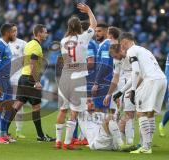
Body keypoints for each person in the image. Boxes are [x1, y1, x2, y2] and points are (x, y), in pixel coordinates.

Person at [112, 32, 167, 154]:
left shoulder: (131, 50)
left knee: (141, 113)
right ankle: (147, 144)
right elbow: (136, 74)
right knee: (150, 113)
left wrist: (133, 90)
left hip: (151, 81)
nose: (122, 48)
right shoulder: (144, 50)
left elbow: (135, 72)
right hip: (162, 80)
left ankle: (146, 147)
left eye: (122, 45)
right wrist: (121, 92)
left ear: (124, 42)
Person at [55, 3, 97, 150]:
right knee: (74, 112)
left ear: (68, 27)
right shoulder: (84, 38)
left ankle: (58, 142)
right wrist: (89, 11)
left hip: (65, 76)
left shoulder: (63, 41)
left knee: (62, 110)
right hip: (78, 77)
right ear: (79, 26)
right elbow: (94, 24)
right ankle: (67, 143)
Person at [12, 24, 55, 142]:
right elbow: (33, 65)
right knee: (36, 107)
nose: (46, 34)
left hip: (23, 77)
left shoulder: (28, 44)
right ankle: (41, 136)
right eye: (45, 32)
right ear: (39, 33)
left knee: (18, 104)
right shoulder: (36, 47)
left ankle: (2, 131)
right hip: (30, 79)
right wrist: (36, 81)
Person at [104, 43, 135, 146]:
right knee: (123, 113)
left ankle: (130, 142)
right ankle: (123, 142)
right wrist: (109, 94)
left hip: (135, 85)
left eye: (115, 55)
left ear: (120, 51)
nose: (115, 58)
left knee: (131, 113)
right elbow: (115, 77)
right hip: (123, 87)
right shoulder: (116, 60)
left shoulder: (132, 56)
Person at [0, 23, 16, 144]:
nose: (14, 34)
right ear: (7, 33)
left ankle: (4, 133)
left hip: (7, 80)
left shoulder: (7, 46)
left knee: (9, 106)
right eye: (13, 32)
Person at [8, 24, 27, 139]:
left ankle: (18, 130)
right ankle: (2, 129)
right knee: (6, 104)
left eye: (15, 30)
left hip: (18, 78)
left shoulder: (22, 44)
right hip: (6, 79)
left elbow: (27, 60)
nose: (14, 33)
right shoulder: (4, 44)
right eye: (12, 31)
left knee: (19, 103)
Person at [91, 23, 113, 113]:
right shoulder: (104, 45)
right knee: (104, 111)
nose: (96, 33)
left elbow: (104, 64)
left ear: (106, 32)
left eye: (99, 31)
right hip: (106, 82)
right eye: (95, 31)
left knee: (99, 111)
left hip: (103, 83)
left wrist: (96, 83)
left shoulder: (105, 45)